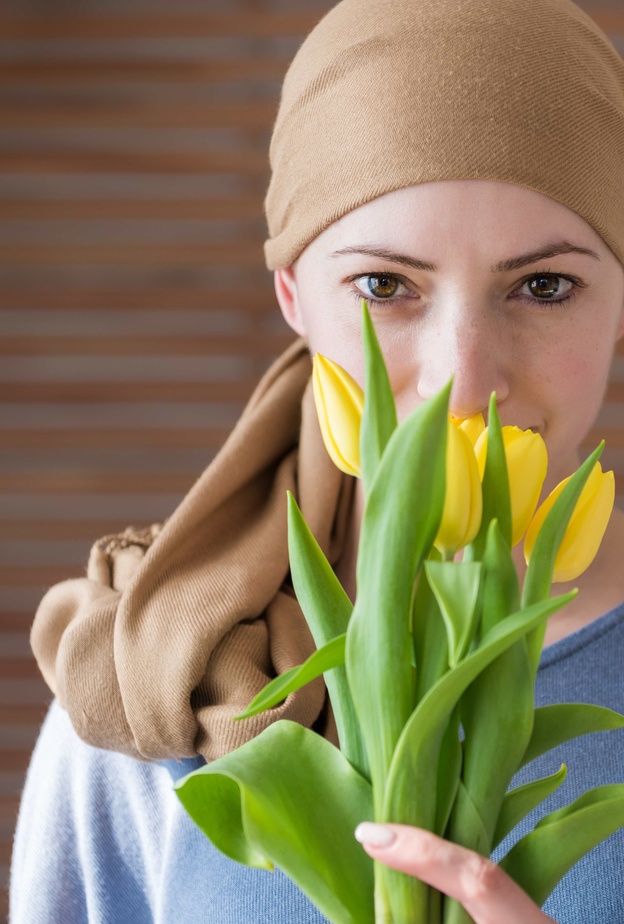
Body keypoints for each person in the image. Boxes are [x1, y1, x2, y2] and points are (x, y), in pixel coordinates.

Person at [9, 0, 624, 921]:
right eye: (385, 285)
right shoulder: (155, 677)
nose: (464, 380)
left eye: (544, 285)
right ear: (293, 295)